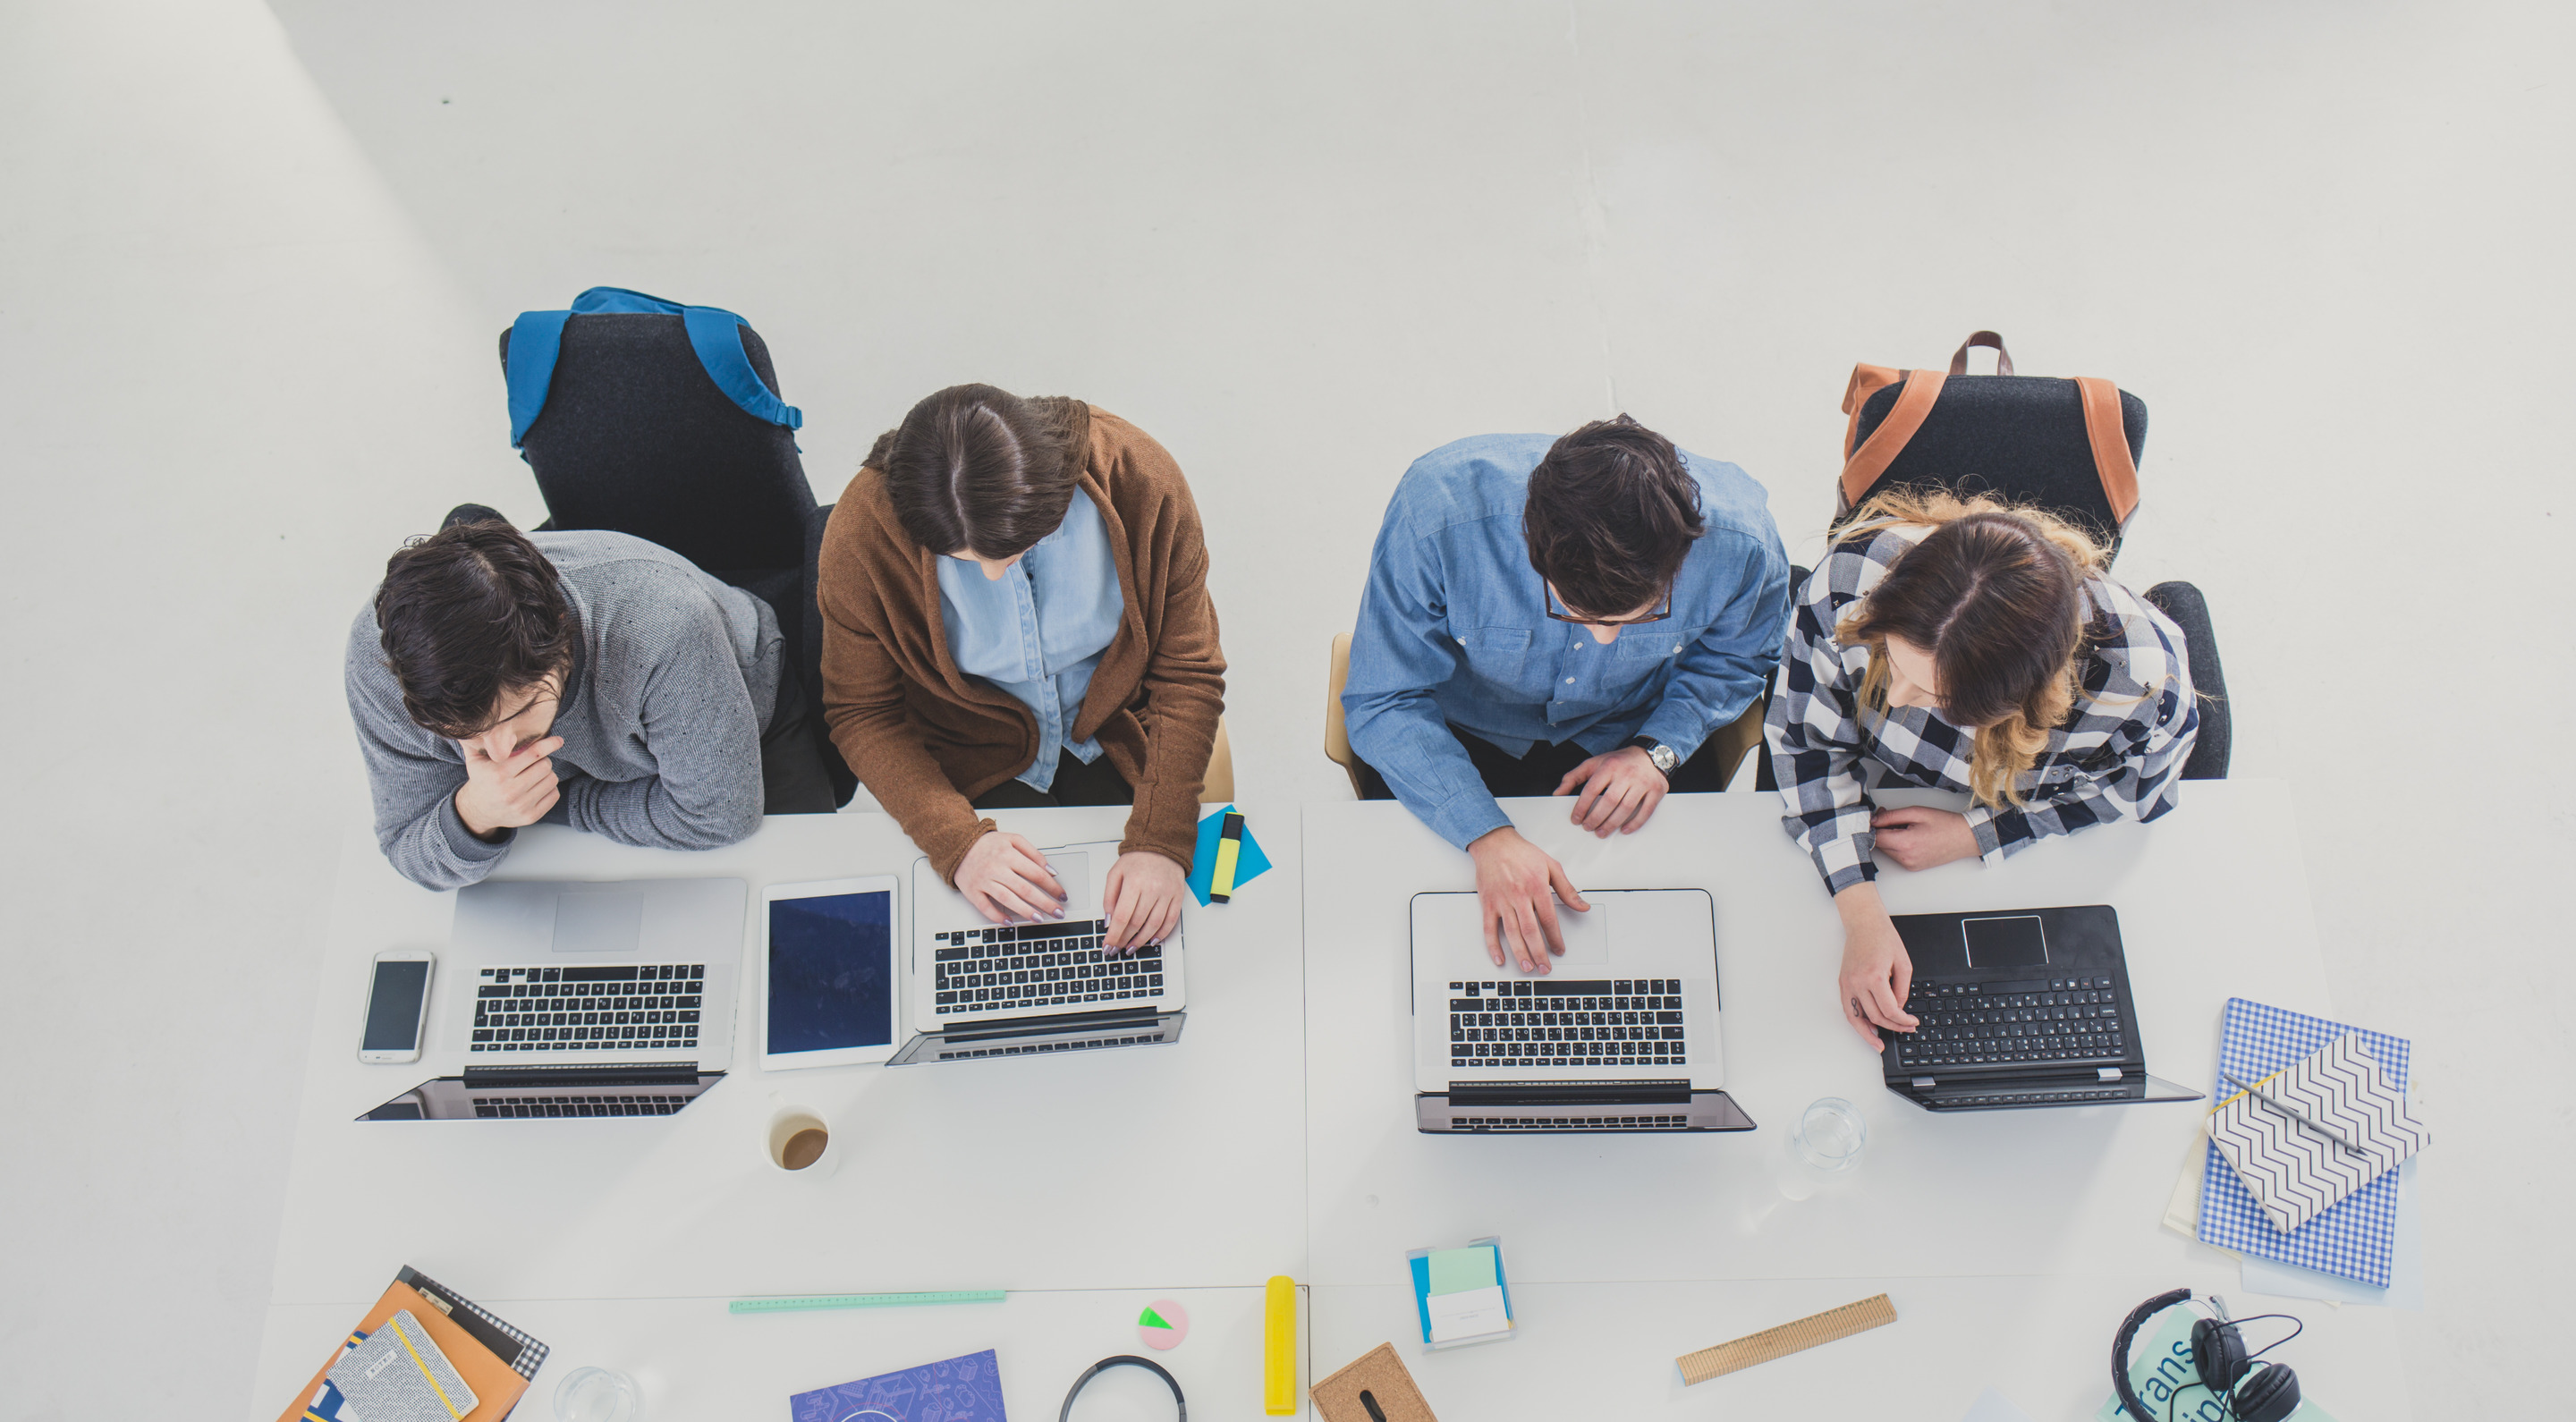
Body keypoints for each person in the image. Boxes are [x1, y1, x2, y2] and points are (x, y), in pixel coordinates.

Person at [1342, 416, 1790, 977]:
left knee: (1670, 946)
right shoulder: (1437, 514)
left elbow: (1738, 659)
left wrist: (1658, 750)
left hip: (1633, 727)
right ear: (1532, 546)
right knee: (1437, 951)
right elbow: (1386, 697)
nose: (1603, 639)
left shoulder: (1744, 543)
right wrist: (1486, 835)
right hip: (1459, 734)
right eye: (1575, 613)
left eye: (1639, 618)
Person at [1764, 490, 2199, 1051]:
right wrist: (1862, 914)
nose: (1894, 698)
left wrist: (1980, 834)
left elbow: (2127, 794)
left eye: (1935, 695)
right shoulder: (1850, 581)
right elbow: (1805, 747)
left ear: (2020, 699)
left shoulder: (2142, 686)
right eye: (1892, 660)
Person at [817, 385, 1224, 953]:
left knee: (1183, 938)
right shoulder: (862, 531)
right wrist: (957, 843)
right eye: (962, 560)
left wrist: (1162, 840)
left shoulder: (1141, 479)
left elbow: (1187, 672)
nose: (989, 576)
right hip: (968, 758)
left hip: (1117, 735)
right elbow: (863, 713)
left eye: (1012, 552)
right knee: (1002, 953)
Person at [346, 512, 837, 892]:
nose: (500, 754)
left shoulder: (666, 625)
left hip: (744, 712)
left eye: (518, 713)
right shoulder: (381, 660)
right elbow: (405, 842)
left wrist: (555, 805)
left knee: (800, 907)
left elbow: (721, 816)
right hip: (613, 776)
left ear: (562, 637)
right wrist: (475, 812)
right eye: (464, 734)